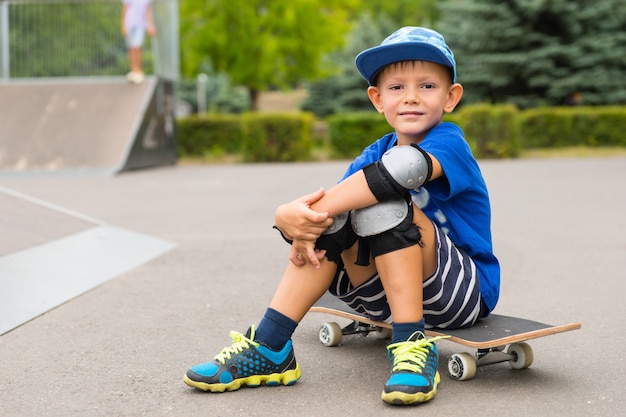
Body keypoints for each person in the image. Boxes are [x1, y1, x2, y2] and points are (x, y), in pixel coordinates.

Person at [183, 26, 500, 406]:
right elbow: (333, 210)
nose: (412, 97)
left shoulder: (449, 142)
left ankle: (413, 345)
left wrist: (306, 213)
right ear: (377, 98)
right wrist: (288, 218)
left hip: (460, 294)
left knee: (379, 199)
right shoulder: (372, 153)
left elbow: (402, 172)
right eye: (397, 88)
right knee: (336, 217)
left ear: (451, 97)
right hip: (380, 294)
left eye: (427, 86)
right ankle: (269, 347)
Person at [120, 0, 156, 84]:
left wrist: (150, 25)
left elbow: (148, 11)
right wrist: (123, 25)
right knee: (131, 48)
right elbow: (125, 10)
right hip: (129, 24)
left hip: (140, 25)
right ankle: (134, 70)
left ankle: (138, 71)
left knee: (137, 47)